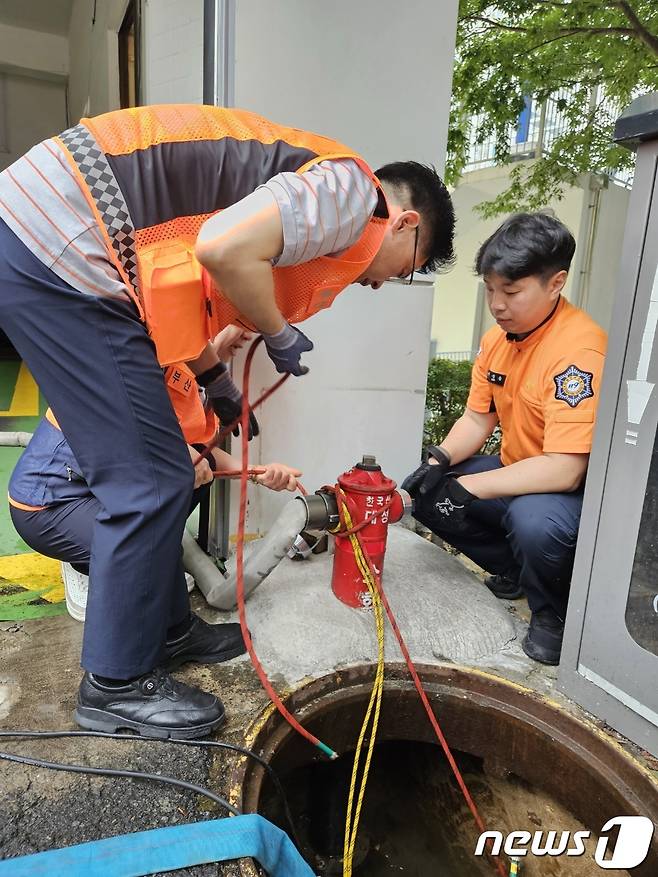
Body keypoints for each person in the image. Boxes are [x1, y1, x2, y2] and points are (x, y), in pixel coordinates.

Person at [0, 104, 455, 739]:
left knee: (167, 476)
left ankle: (169, 633)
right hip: (63, 243)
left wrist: (215, 382)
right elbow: (223, 248)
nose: (381, 285)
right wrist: (278, 330)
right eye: (404, 270)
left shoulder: (313, 183)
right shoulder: (354, 192)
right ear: (403, 223)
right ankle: (115, 684)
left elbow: (177, 303)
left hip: (57, 233)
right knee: (149, 481)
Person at [403, 213, 607, 666]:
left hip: (566, 489)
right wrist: (438, 460)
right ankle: (514, 571)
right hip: (516, 467)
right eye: (490, 289)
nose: (497, 304)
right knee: (429, 493)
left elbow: (565, 467)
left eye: (511, 292)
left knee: (534, 524)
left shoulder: (579, 351)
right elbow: (478, 420)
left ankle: (553, 614)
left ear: (555, 283)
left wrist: (470, 487)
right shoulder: (499, 340)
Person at [8, 325, 301, 629]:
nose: (237, 333)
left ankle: (109, 551)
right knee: (148, 553)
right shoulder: (144, 363)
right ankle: (85, 564)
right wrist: (180, 454)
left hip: (97, 489)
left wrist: (258, 473)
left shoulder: (193, 386)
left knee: (194, 481)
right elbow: (120, 424)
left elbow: (204, 457)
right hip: (50, 505)